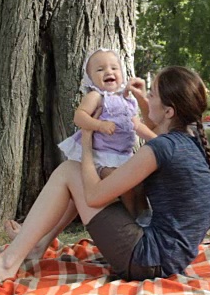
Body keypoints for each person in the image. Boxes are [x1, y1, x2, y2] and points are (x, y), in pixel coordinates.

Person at [0, 65, 210, 281]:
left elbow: (93, 197)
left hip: (146, 260)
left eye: (152, 95)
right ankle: (37, 244)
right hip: (168, 258)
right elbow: (154, 125)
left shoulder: (161, 148)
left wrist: (86, 140)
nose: (146, 99)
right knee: (89, 177)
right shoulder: (189, 141)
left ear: (170, 111)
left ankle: (8, 262)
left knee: (70, 171)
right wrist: (139, 96)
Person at [57, 48, 155, 218]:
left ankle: (145, 216)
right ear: (91, 78)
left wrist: (157, 140)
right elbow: (79, 117)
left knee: (138, 185)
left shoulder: (128, 101)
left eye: (114, 68)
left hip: (124, 156)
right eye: (100, 69)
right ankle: (133, 219)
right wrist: (99, 125)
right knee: (123, 183)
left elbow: (137, 125)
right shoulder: (96, 96)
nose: (108, 71)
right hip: (102, 156)